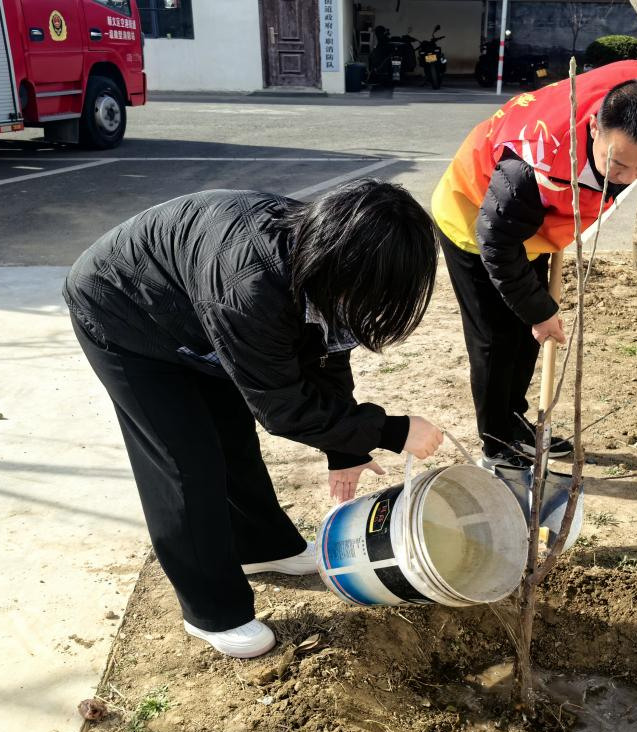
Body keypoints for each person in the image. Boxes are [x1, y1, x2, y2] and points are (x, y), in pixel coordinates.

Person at [65, 181, 444, 659]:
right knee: (186, 463)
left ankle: (264, 547)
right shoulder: (249, 289)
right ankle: (212, 611)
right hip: (123, 313)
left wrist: (345, 447)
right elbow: (283, 408)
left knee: (232, 437)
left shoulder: (325, 255)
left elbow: (325, 354)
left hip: (193, 309)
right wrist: (392, 430)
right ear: (343, 263)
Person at [431, 60, 637, 468]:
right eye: (618, 165)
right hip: (474, 219)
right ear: (594, 127)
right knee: (496, 340)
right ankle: (496, 445)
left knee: (526, 336)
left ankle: (514, 423)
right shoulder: (536, 162)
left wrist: (535, 314)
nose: (628, 177)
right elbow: (496, 241)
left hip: (531, 226)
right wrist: (539, 312)